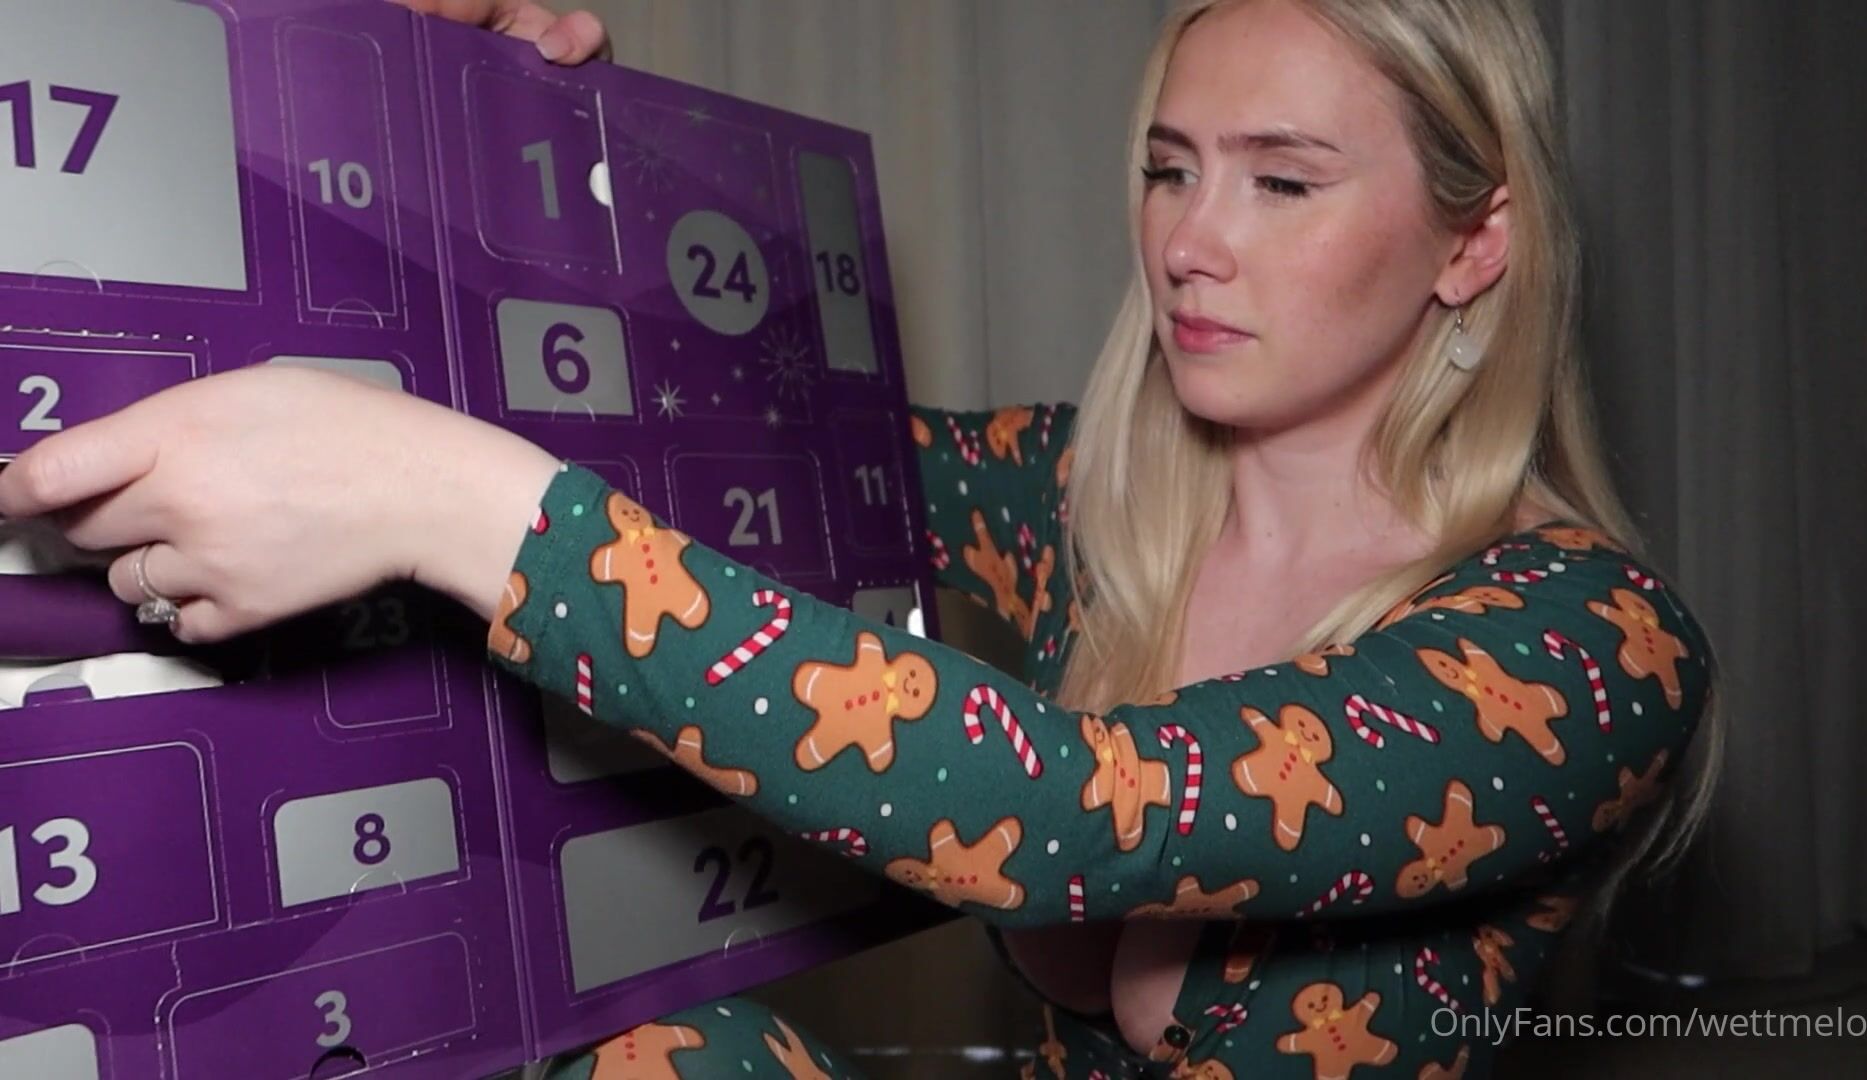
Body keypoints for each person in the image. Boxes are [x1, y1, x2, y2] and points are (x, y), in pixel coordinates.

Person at [0, 0, 1722, 1076]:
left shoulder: (1589, 646)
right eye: (1168, 166)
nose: (1191, 242)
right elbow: (687, 463)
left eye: (1282, 180)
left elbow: (1064, 817)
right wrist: (480, 122)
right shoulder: (1085, 497)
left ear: (1473, 243)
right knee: (637, 1043)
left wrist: (442, 500)